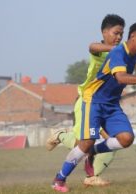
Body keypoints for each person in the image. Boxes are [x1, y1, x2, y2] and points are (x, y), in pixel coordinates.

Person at [51, 21, 136, 193]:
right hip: (94, 101)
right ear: (133, 36)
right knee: (85, 143)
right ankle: (59, 180)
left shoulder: (133, 53)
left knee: (126, 139)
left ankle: (93, 152)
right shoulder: (119, 52)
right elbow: (121, 77)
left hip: (111, 104)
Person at [46, 14, 125, 187]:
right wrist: (114, 49)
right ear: (104, 32)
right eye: (116, 33)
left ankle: (91, 175)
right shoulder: (100, 51)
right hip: (88, 101)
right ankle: (61, 136)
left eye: (121, 34)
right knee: (83, 144)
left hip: (105, 104)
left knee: (112, 141)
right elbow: (92, 46)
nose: (119, 37)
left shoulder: (119, 56)